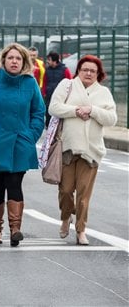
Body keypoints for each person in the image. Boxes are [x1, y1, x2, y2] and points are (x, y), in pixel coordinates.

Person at [0, 42, 45, 247]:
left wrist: (31, 135)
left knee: (14, 183)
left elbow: (39, 113)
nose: (14, 61)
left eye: (18, 58)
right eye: (11, 58)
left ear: (24, 62)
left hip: (21, 142)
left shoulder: (30, 83)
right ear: (4, 61)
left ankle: (15, 229)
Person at [48, 55, 117, 245]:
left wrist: (92, 110)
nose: (88, 73)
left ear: (98, 74)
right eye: (85, 69)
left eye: (92, 71)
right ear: (78, 70)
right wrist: (76, 111)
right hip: (68, 148)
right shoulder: (67, 85)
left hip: (91, 151)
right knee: (66, 190)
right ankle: (65, 218)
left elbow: (112, 119)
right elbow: (54, 108)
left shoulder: (103, 93)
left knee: (84, 196)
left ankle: (81, 230)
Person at [43, 51, 73, 127]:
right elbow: (44, 82)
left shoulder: (65, 70)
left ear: (54, 61)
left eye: (49, 60)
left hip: (61, 97)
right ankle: (48, 127)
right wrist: (44, 92)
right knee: (48, 113)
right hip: (49, 96)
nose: (47, 61)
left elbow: (70, 82)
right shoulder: (47, 70)